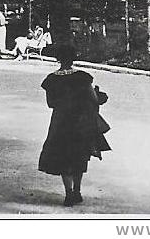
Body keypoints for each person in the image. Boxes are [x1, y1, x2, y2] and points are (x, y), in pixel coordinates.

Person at [38, 44, 111, 207]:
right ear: (73, 58)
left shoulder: (51, 79)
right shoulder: (83, 77)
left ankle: (68, 193)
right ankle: (77, 191)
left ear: (58, 59)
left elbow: (50, 104)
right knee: (79, 155)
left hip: (60, 121)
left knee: (63, 156)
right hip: (80, 121)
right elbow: (93, 99)